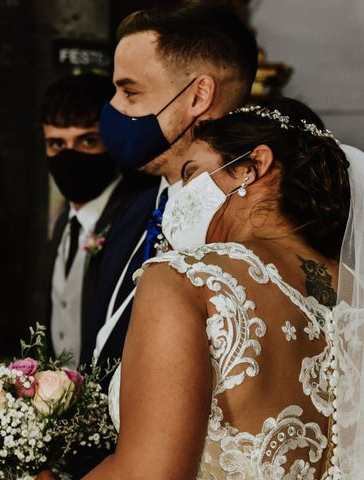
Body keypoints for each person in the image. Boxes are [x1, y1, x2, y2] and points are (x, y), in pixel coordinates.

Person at [85, 98, 354, 478]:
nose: (181, 195)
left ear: (252, 167)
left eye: (191, 173)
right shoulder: (356, 290)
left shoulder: (186, 279)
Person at [80, 3, 259, 383]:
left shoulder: (248, 228)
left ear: (198, 97)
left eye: (130, 92)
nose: (111, 109)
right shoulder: (132, 208)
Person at [40, 73, 149, 368]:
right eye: (57, 145)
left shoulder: (140, 216)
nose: (69, 156)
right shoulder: (64, 223)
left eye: (87, 141)